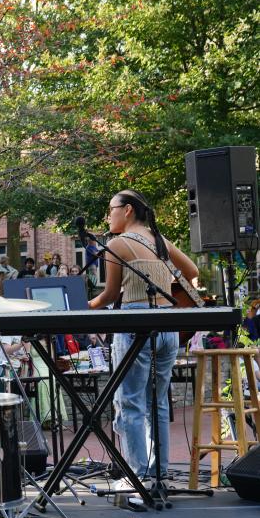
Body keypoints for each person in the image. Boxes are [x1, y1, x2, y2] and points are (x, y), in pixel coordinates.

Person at [89, 189, 198, 481]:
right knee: (158, 401)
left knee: (131, 403)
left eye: (111, 208)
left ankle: (137, 476)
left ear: (127, 210)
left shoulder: (118, 244)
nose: (107, 215)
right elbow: (193, 270)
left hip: (135, 325)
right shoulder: (160, 241)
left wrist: (84, 305)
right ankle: (159, 472)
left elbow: (110, 294)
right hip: (168, 328)